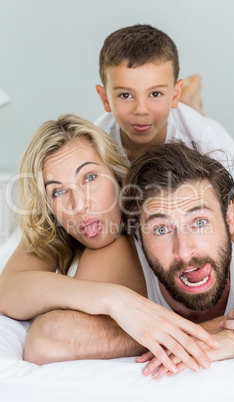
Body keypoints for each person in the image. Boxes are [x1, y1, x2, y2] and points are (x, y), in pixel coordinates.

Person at [0, 114, 221, 373]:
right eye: (58, 191)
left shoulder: (177, 202)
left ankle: (194, 105)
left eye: (90, 177)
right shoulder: (57, 229)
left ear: (117, 175)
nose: (79, 204)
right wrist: (112, 299)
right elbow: (9, 290)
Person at [121, 141, 234, 378]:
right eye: (161, 230)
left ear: (229, 219)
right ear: (139, 236)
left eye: (200, 223)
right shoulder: (125, 267)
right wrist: (233, 327)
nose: (185, 251)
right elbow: (48, 338)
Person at [94, 24, 234, 214]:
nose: (141, 110)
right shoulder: (96, 143)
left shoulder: (207, 138)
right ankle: (187, 101)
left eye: (155, 93)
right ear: (105, 99)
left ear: (173, 94)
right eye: (126, 95)